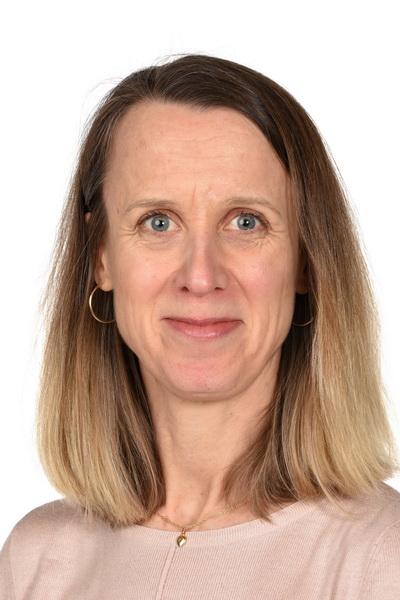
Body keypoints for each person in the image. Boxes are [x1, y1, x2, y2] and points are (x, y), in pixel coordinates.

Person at [1, 53, 399, 599]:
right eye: (158, 222)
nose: (201, 276)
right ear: (101, 256)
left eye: (246, 222)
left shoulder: (383, 558)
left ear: (307, 258)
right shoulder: (36, 562)